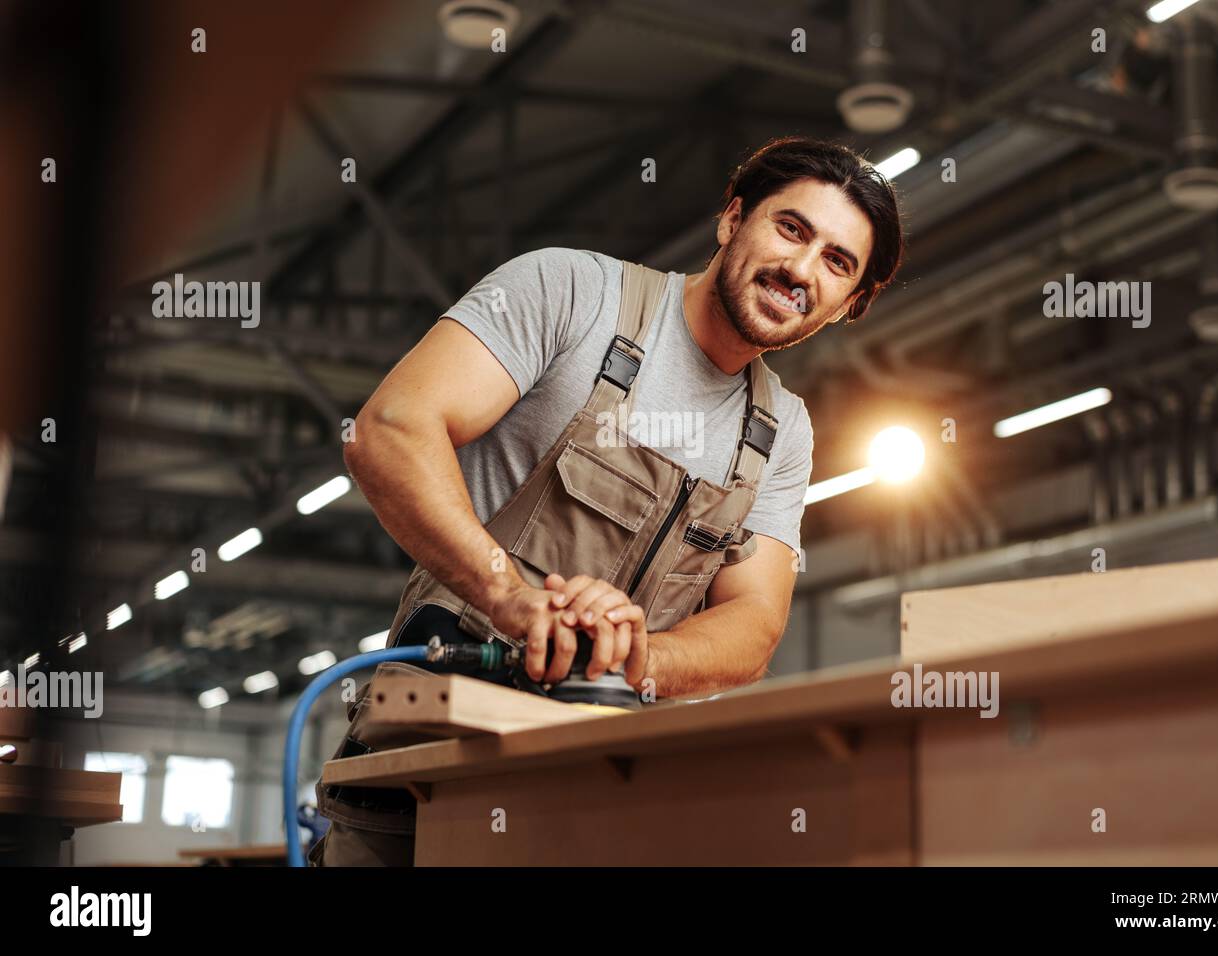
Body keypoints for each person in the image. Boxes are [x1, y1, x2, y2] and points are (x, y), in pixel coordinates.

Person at [310, 135, 904, 865]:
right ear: (732, 220)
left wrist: (633, 659)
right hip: (432, 760)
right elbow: (391, 429)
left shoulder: (783, 433)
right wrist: (510, 600)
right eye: (791, 228)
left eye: (837, 262)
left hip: (607, 791)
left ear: (852, 304)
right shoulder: (571, 293)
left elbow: (754, 622)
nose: (800, 269)